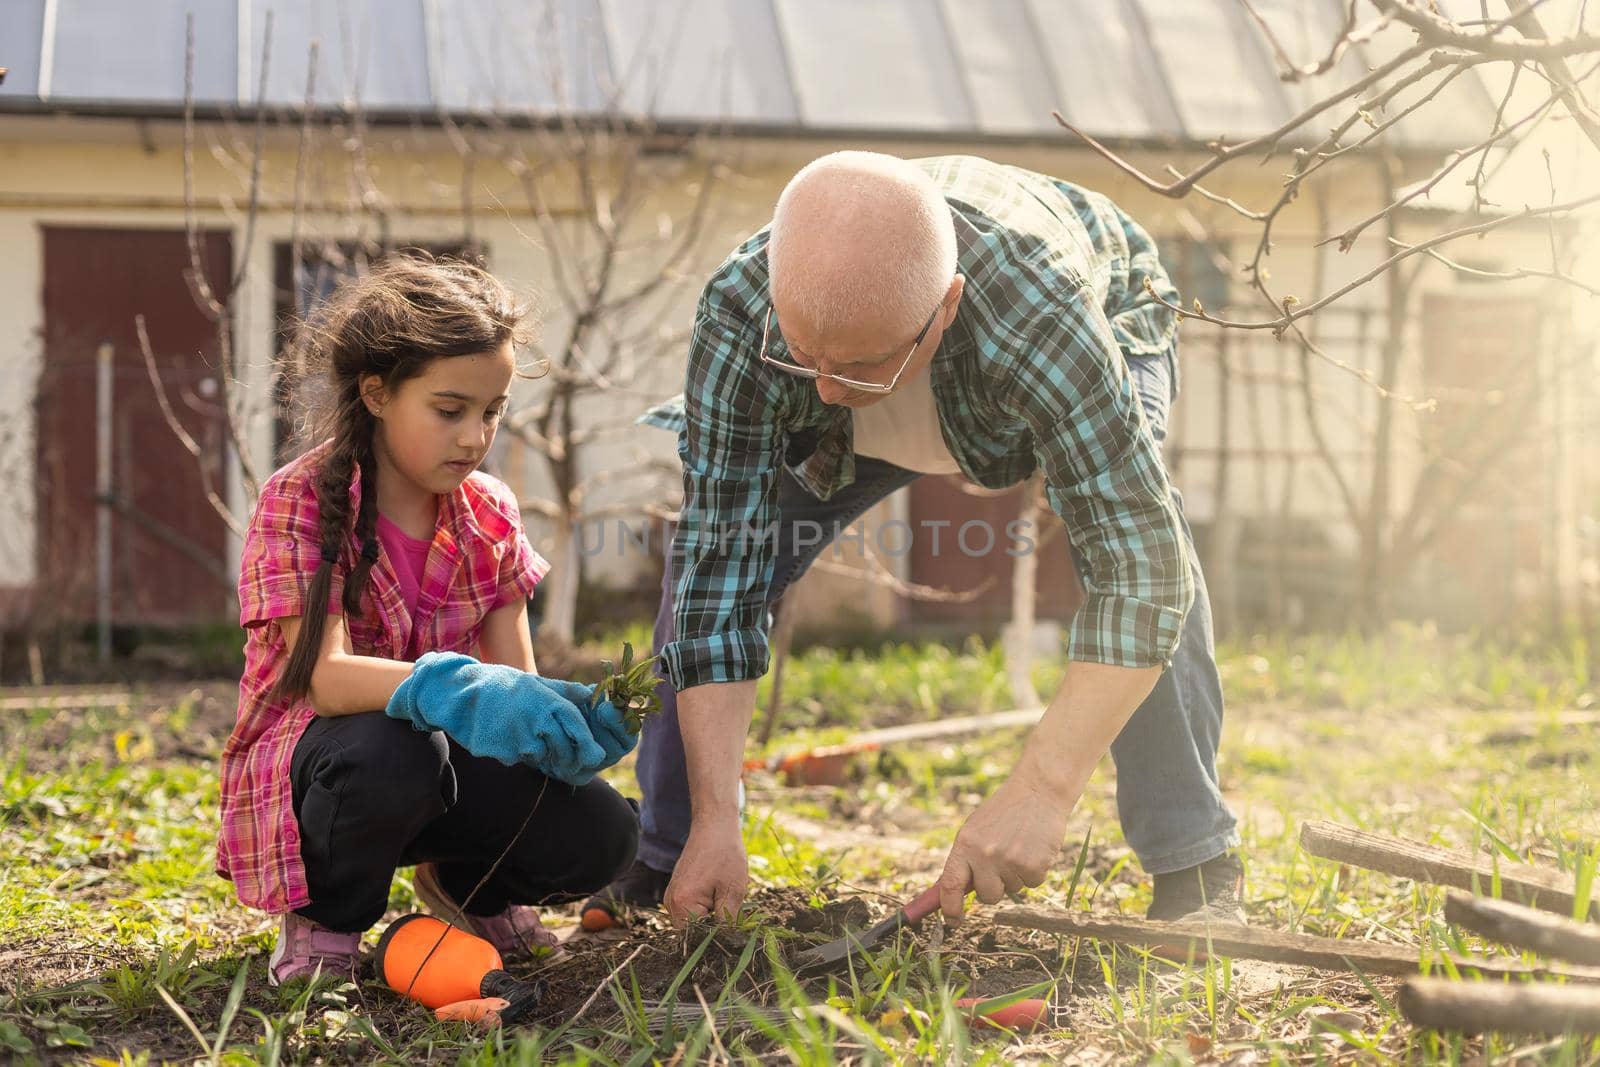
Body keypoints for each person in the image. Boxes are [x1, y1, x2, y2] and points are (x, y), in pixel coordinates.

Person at [583, 152, 1243, 930]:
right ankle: (677, 845)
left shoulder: (1042, 314)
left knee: (1146, 541)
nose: (823, 389)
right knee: (710, 571)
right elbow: (718, 566)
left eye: (856, 366)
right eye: (804, 357)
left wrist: (1043, 788)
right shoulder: (742, 308)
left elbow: (1141, 567)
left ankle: (1193, 860)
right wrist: (715, 816)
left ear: (948, 305)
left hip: (1079, 322)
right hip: (878, 362)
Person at [217, 255, 639, 986]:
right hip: (329, 773)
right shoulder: (304, 501)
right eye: (450, 410)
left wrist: (560, 723)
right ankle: (328, 918)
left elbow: (514, 684)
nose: (475, 436)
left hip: (440, 772)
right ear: (377, 393)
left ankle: (476, 888)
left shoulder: (490, 512)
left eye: (492, 411)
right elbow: (325, 681)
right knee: (395, 748)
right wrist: (453, 686)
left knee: (606, 831)